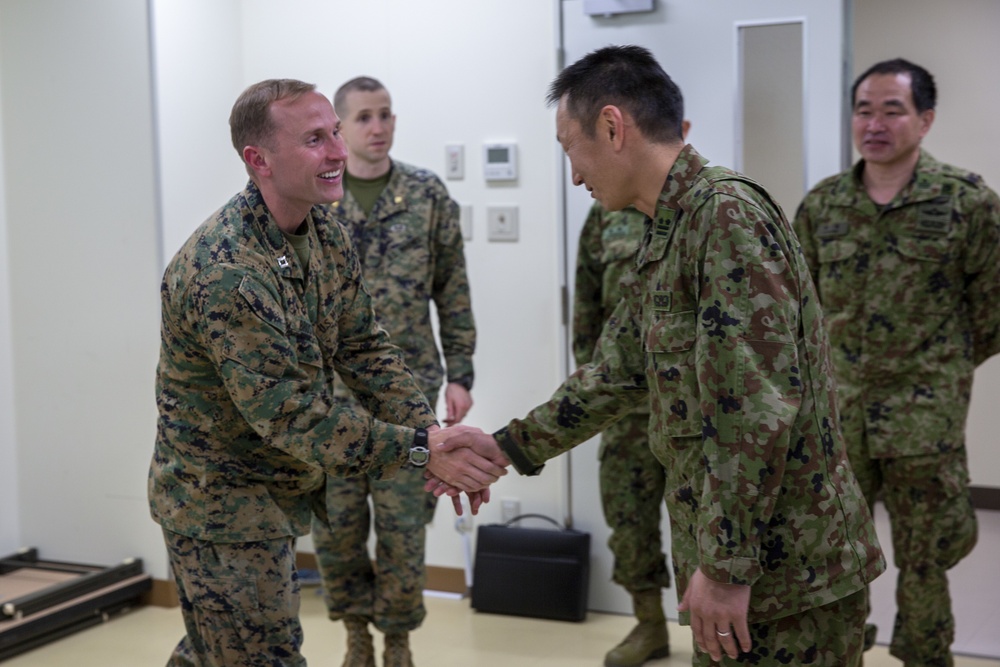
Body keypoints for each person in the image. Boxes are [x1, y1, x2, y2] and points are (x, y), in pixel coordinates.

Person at [431, 45, 885, 666]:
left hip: (784, 573)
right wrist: (507, 446)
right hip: (744, 563)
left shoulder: (724, 217)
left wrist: (724, 569)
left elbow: (755, 410)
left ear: (613, 127)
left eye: (570, 147)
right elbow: (615, 373)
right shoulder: (669, 229)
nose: (573, 174)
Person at [148, 78, 504, 667]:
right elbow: (290, 415)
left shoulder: (322, 232)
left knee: (214, 655)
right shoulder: (229, 270)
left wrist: (430, 432)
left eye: (334, 133)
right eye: (317, 138)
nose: (340, 151)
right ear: (258, 160)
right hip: (222, 509)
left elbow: (364, 346)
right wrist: (423, 450)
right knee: (259, 657)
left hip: (271, 495)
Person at [793, 58, 1000, 667]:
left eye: (892, 109)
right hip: (838, 418)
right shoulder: (824, 205)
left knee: (926, 559)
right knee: (832, 558)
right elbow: (798, 312)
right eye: (864, 109)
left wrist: (937, 370)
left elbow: (992, 312)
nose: (874, 124)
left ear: (925, 119)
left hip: (923, 424)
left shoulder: (967, 202)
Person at [308, 76, 475, 667]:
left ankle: (399, 639)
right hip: (330, 400)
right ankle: (355, 633)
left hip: (408, 393)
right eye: (363, 118)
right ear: (340, 128)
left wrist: (462, 373)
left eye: (386, 115)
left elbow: (452, 289)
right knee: (338, 526)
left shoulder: (427, 195)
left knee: (405, 526)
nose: (377, 128)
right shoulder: (315, 198)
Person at [573, 120, 689, 667]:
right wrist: (592, 398)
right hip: (626, 409)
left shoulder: (710, 212)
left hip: (699, 415)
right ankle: (649, 624)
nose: (576, 173)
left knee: (708, 524)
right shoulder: (605, 215)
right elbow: (587, 317)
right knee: (630, 520)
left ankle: (723, 635)